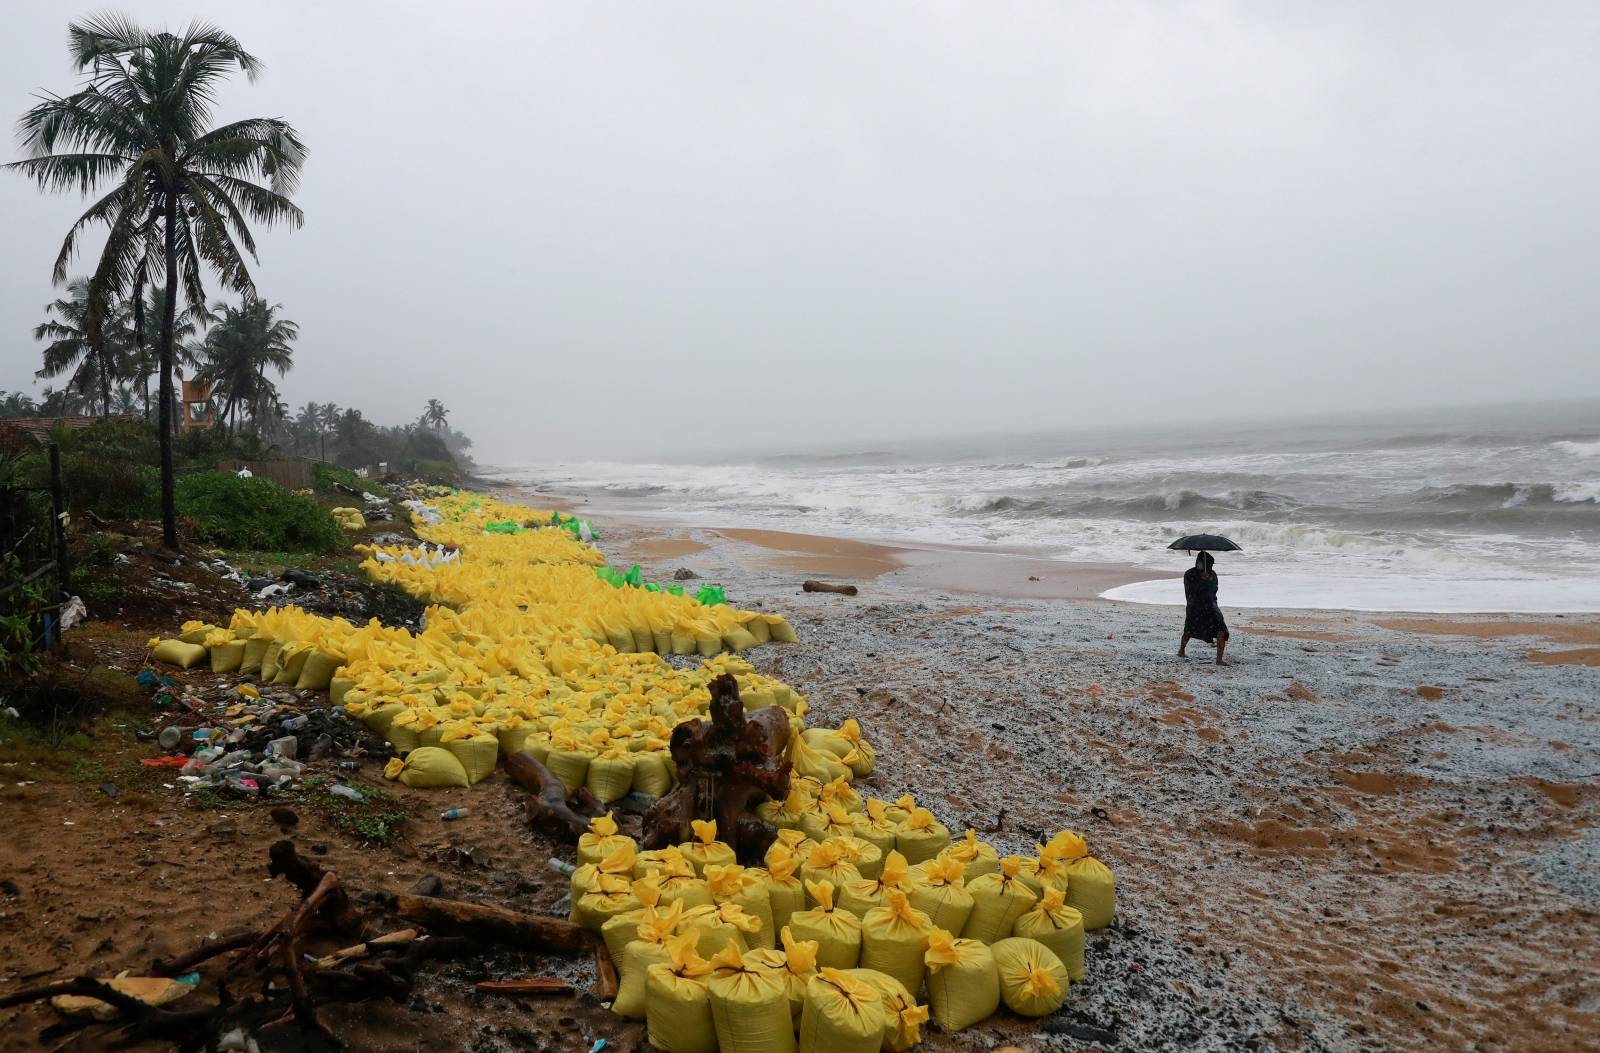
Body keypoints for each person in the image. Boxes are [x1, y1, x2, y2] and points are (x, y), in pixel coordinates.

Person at [1179, 551, 1229, 665]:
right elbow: (1190, 592)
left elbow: (1214, 590)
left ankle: (1219, 659)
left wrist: (1209, 581)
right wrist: (1201, 581)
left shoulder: (1213, 575)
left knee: (1222, 629)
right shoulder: (1189, 574)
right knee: (1189, 630)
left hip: (1211, 606)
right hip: (1195, 606)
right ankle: (1181, 650)